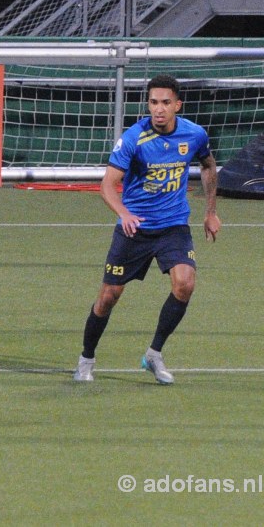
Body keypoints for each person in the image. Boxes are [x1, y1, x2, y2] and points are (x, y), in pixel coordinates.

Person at [73, 74, 221, 385]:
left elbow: (208, 165)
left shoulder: (194, 135)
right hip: (134, 228)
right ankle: (86, 357)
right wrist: (124, 213)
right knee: (108, 297)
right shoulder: (133, 138)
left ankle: (154, 354)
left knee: (185, 284)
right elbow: (107, 186)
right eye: (153, 102)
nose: (159, 109)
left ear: (177, 104)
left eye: (166, 102)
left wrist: (210, 212)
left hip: (173, 226)